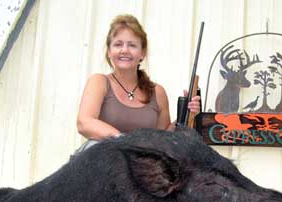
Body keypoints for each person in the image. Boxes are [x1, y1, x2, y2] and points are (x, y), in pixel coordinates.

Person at [77, 14, 200, 145]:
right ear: (109, 51)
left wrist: (187, 115)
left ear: (142, 53)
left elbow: (163, 139)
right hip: (102, 161)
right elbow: (84, 123)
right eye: (118, 44)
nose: (124, 50)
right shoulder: (99, 82)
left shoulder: (157, 92)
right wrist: (125, 141)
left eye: (132, 45)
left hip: (141, 164)